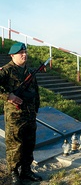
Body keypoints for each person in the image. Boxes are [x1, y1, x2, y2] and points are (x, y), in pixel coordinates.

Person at [0, 42, 42, 184]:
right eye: (20, 53)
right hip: (15, 116)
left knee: (29, 143)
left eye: (25, 52)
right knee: (15, 145)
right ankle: (14, 173)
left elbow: (36, 92)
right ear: (12, 55)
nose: (24, 55)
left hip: (30, 114)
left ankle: (26, 170)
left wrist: (36, 109)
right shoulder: (6, 70)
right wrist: (8, 96)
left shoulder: (30, 72)